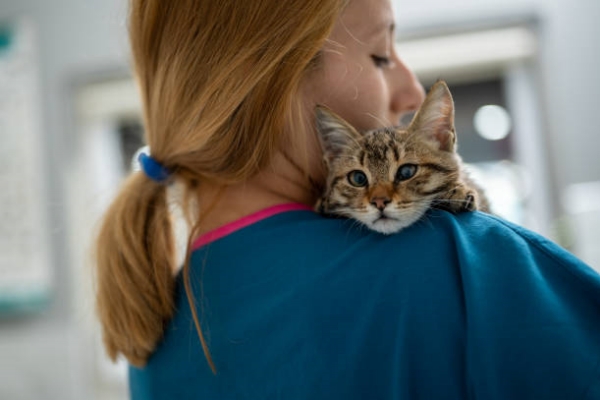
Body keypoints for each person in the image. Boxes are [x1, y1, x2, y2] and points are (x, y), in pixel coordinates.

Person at [94, 0, 600, 398]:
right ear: (275, 77)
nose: (410, 90)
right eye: (380, 56)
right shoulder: (460, 259)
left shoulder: (146, 324)